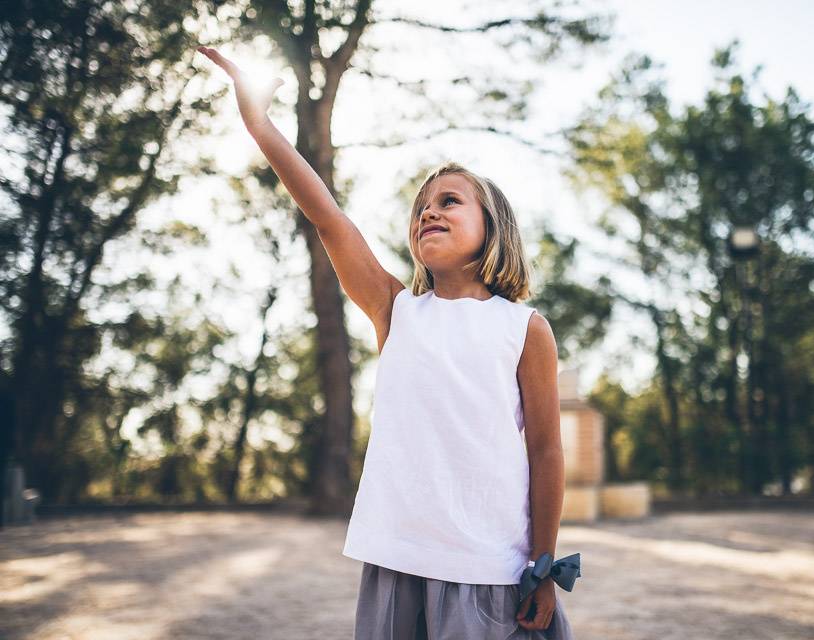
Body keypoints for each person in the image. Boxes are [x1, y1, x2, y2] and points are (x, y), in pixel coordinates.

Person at [197, 45, 577, 639]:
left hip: (488, 568)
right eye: (421, 207)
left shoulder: (523, 328)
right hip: (395, 562)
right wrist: (259, 124)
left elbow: (547, 452)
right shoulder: (396, 309)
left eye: (449, 201)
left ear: (493, 225)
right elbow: (327, 217)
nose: (428, 212)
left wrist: (544, 564)